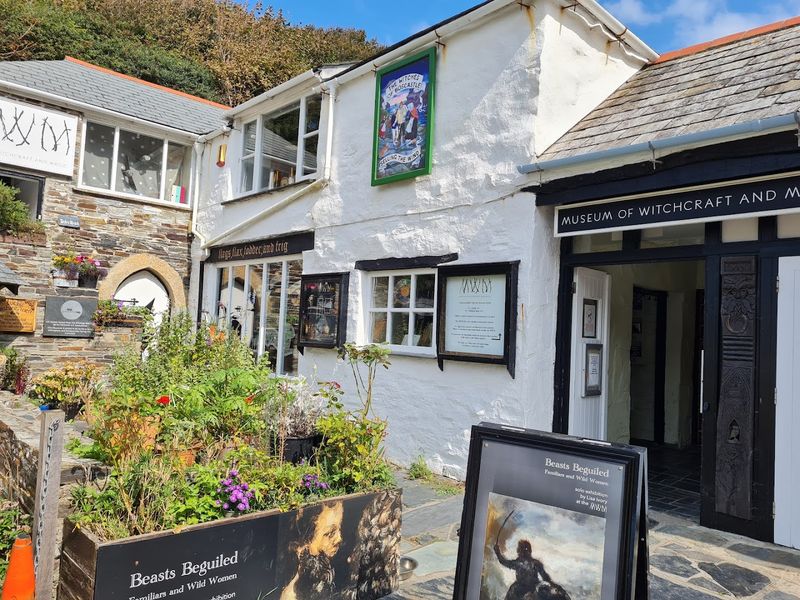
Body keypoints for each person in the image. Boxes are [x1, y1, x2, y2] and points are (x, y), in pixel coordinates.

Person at [280, 502, 344, 600]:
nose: (339, 538)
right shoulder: (293, 595)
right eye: (330, 533)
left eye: (340, 528)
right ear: (306, 540)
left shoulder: (335, 571)